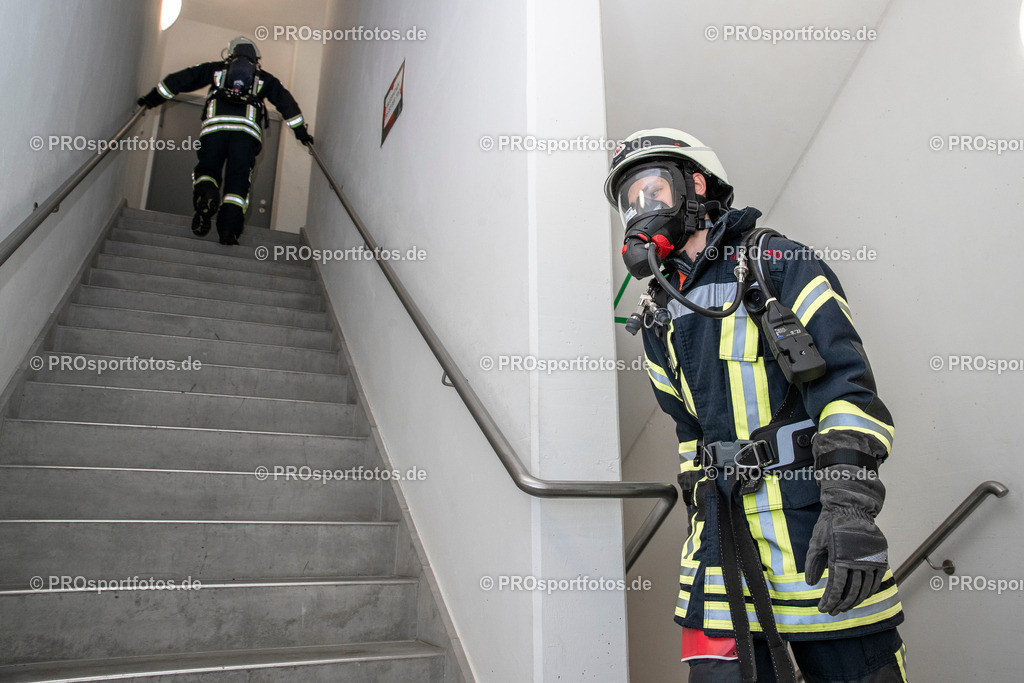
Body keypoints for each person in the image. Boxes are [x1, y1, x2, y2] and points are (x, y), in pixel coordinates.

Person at [605, 129, 907, 682]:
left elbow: (849, 392)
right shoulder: (655, 316)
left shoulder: (775, 262)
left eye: (652, 191)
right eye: (628, 201)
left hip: (816, 540)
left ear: (695, 185)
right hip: (720, 566)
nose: (639, 211)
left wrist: (851, 510)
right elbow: (689, 436)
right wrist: (703, 513)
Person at [138, 36, 312, 245]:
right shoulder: (265, 79)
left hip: (214, 131)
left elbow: (181, 80)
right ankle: (229, 230)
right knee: (238, 183)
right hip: (246, 136)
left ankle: (207, 194)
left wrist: (152, 98)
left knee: (207, 171)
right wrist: (301, 133)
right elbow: (288, 105)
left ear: (230, 53)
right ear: (256, 58)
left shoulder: (216, 70)